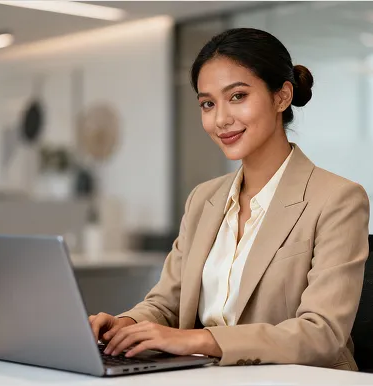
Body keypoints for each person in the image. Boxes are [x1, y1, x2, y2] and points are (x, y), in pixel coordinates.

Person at [89, 28, 370, 371]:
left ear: (281, 97)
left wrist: (198, 340)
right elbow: (166, 304)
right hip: (203, 376)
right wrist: (127, 326)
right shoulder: (203, 198)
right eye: (208, 103)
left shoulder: (337, 199)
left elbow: (321, 334)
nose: (220, 119)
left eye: (237, 96)